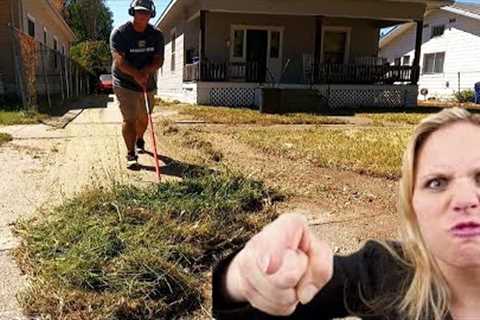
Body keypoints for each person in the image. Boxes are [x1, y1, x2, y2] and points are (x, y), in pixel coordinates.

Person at [212, 107, 480, 320]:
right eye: (437, 182)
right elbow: (284, 302)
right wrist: (243, 276)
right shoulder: (387, 270)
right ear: (413, 205)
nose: (465, 200)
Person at [110, 0, 164, 168]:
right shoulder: (120, 34)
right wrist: (136, 74)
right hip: (124, 81)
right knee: (130, 118)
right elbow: (120, 62)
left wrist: (145, 72)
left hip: (147, 81)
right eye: (139, 11)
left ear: (151, 14)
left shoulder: (156, 35)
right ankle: (131, 154)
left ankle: (140, 138)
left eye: (146, 12)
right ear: (133, 12)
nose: (143, 15)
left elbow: (158, 60)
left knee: (143, 117)